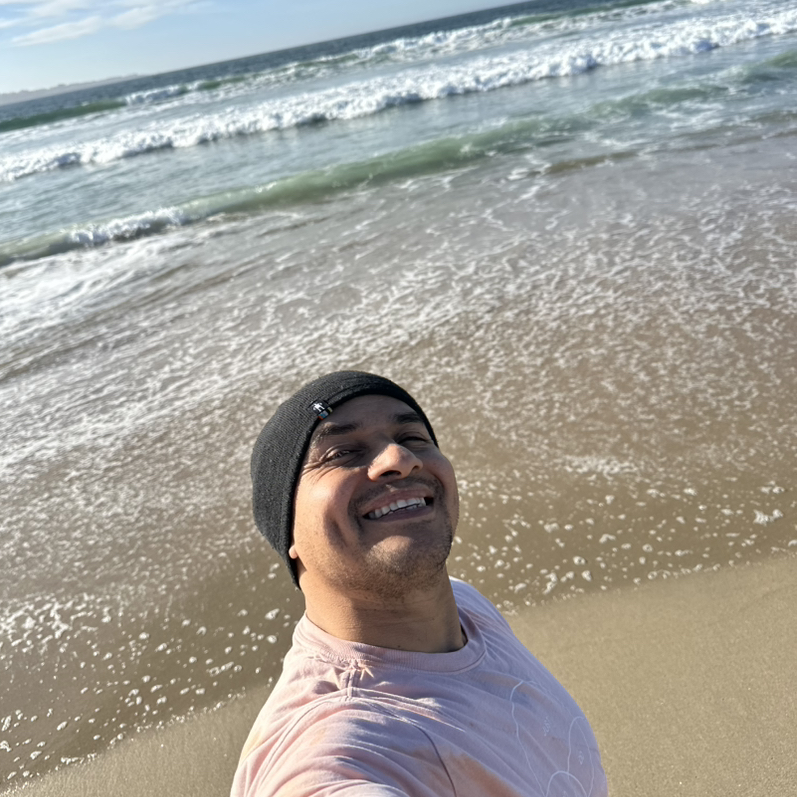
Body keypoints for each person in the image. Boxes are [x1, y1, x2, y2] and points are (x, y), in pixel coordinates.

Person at [232, 371, 607, 797]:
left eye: (412, 438)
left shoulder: (466, 608)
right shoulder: (334, 753)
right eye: (342, 452)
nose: (400, 458)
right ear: (289, 532)